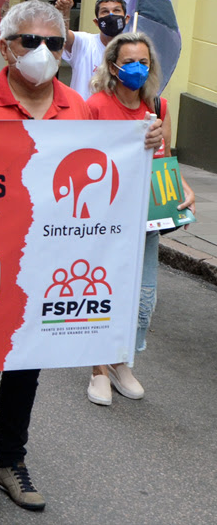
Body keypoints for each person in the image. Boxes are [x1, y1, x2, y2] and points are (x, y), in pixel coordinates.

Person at [0, 0, 161, 516]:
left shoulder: (77, 108)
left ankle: (9, 462)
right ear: (5, 47)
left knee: (26, 366)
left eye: (55, 44)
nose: (43, 52)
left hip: (48, 262)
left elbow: (109, 169)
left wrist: (145, 140)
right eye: (30, 42)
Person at [84, 31, 194, 406]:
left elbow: (164, 158)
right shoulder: (96, 105)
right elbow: (85, 161)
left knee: (142, 296)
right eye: (129, 61)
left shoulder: (158, 107)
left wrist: (182, 189)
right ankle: (98, 367)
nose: (136, 68)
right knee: (103, 290)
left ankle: (121, 360)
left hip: (146, 217)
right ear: (113, 66)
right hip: (105, 216)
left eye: (143, 62)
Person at [55, 0, 129, 99]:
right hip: (83, 114)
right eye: (105, 11)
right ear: (96, 22)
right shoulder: (84, 42)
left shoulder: (133, 51)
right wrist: (63, 13)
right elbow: (62, 35)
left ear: (126, 19)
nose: (111, 15)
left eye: (116, 10)